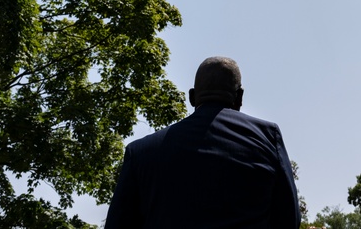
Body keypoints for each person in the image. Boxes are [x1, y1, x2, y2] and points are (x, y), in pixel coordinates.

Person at [104, 56, 300, 229]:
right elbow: (289, 218)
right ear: (239, 97)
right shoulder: (267, 137)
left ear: (192, 96)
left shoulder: (140, 152)